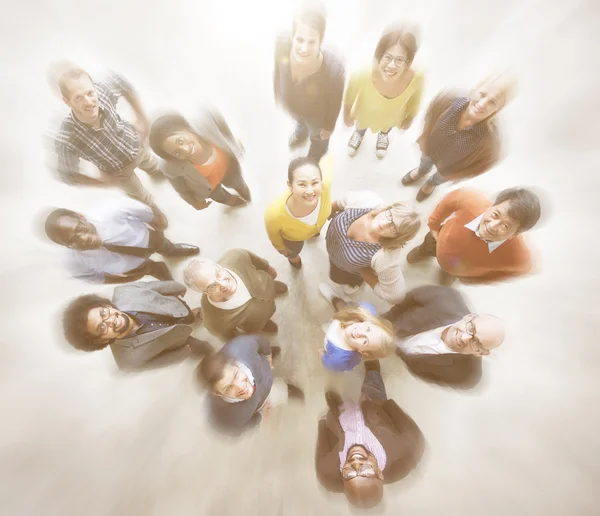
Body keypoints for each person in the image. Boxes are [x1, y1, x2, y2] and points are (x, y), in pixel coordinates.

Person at [52, 64, 166, 221]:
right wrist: (102, 183)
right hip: (119, 172)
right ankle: (153, 211)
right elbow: (66, 174)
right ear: (67, 101)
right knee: (138, 194)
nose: (88, 102)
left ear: (94, 88)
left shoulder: (103, 92)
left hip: (135, 144)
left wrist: (142, 118)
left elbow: (121, 83)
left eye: (90, 93)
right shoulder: (68, 137)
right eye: (78, 98)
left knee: (150, 162)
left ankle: (156, 173)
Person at [315, 360, 425, 509]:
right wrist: (384, 405)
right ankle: (372, 367)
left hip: (342, 416)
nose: (355, 462)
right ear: (379, 473)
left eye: (349, 473)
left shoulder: (326, 472)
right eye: (365, 471)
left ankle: (337, 403)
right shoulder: (407, 449)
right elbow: (408, 428)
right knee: (373, 384)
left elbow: (323, 444)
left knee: (340, 406)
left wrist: (325, 421)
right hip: (374, 406)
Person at [401, 74, 514, 201]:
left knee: (440, 177)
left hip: (450, 167)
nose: (482, 104)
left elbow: (480, 166)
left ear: (498, 109)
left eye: (492, 102)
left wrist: (456, 174)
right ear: (476, 89)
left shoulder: (489, 142)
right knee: (425, 162)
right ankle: (421, 171)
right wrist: (424, 139)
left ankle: (431, 183)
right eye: (482, 94)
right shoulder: (448, 101)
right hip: (431, 148)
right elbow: (429, 118)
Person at [62, 281, 212, 370]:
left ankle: (192, 316)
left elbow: (157, 287)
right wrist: (182, 353)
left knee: (188, 315)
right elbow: (157, 362)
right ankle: (206, 350)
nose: (111, 320)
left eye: (103, 313)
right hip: (178, 341)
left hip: (174, 307)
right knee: (203, 348)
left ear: (105, 305)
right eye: (102, 328)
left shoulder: (125, 291)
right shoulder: (127, 361)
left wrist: (177, 287)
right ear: (101, 340)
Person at [45, 197, 199, 284]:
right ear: (66, 246)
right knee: (153, 270)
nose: (84, 240)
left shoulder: (113, 209)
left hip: (148, 240)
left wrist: (159, 230)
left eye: (79, 229)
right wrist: (127, 278)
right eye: (73, 241)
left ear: (80, 216)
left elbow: (148, 215)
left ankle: (171, 250)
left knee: (164, 245)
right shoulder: (72, 262)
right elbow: (93, 278)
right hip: (131, 268)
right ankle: (162, 274)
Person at [407, 187, 541, 284]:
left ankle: (449, 271)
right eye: (495, 215)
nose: (492, 226)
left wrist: (473, 278)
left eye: (505, 226)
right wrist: (434, 224)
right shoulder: (471, 201)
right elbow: (450, 200)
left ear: (515, 234)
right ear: (491, 207)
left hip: (460, 266)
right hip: (440, 239)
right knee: (428, 245)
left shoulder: (517, 257)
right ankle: (423, 251)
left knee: (451, 269)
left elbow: (508, 273)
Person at [383, 285, 505, 388]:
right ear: (469, 317)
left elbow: (430, 376)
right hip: (386, 325)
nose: (464, 338)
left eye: (476, 343)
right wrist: (385, 320)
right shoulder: (444, 297)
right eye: (471, 328)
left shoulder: (466, 376)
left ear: (481, 353)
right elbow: (405, 301)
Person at [274, 6, 345, 159]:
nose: (304, 49)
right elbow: (277, 69)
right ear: (292, 36)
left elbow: (334, 105)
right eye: (300, 39)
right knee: (300, 121)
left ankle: (315, 156)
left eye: (311, 42)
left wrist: (328, 128)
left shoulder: (333, 72)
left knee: (318, 139)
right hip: (295, 107)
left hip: (317, 117)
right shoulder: (282, 44)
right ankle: (301, 131)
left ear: (321, 41)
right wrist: (277, 91)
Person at [197, 334, 304, 436]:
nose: (241, 387)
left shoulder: (243, 347)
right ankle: (287, 391)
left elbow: (261, 341)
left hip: (263, 374)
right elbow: (239, 427)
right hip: (263, 401)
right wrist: (259, 416)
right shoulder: (223, 416)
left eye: (236, 375)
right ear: (218, 393)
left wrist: (267, 355)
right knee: (279, 392)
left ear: (235, 363)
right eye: (228, 388)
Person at [344, 26, 424, 158]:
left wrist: (410, 117)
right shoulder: (363, 73)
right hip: (365, 112)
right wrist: (346, 114)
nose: (392, 66)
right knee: (361, 124)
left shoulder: (417, 78)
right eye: (388, 57)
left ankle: (384, 134)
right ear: (379, 55)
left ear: (408, 62)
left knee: (387, 126)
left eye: (399, 60)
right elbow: (349, 96)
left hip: (392, 116)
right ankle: (359, 133)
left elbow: (416, 99)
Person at [149, 107, 250, 209]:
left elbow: (222, 126)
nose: (185, 150)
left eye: (180, 141)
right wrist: (193, 202)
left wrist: (232, 143)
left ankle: (241, 188)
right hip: (209, 188)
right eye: (176, 153)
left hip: (229, 167)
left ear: (186, 128)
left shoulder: (205, 120)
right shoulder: (169, 166)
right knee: (221, 197)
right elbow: (179, 187)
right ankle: (231, 201)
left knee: (236, 182)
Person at [326, 191, 420, 295]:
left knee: (337, 278)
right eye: (390, 215)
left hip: (345, 269)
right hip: (332, 248)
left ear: (398, 237)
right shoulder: (366, 201)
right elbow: (339, 203)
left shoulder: (386, 255)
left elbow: (395, 295)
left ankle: (355, 283)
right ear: (388, 209)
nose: (385, 223)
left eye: (394, 227)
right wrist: (326, 214)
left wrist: (365, 274)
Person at [183, 250, 288, 341]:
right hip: (256, 322)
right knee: (259, 322)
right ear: (204, 292)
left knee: (268, 285)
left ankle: (273, 287)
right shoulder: (213, 321)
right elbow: (232, 339)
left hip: (265, 284)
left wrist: (268, 269)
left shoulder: (236, 256)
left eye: (218, 274)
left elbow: (256, 261)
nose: (223, 285)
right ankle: (264, 324)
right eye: (212, 286)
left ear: (219, 266)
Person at [264, 155, 333, 269]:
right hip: (293, 239)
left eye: (315, 183)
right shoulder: (274, 214)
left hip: (317, 226)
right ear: (290, 185)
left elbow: (328, 160)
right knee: (292, 251)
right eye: (302, 184)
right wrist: (281, 248)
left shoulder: (326, 185)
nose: (310, 191)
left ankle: (315, 233)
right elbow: (274, 236)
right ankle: (294, 260)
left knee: (315, 231)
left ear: (321, 181)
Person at [317, 285, 395, 372]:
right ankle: (333, 298)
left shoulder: (339, 359)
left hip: (331, 342)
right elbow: (349, 308)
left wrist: (323, 355)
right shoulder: (363, 310)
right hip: (344, 314)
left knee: (333, 326)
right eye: (368, 329)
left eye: (365, 341)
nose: (360, 333)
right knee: (341, 306)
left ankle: (330, 328)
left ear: (362, 351)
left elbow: (329, 364)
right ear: (370, 322)